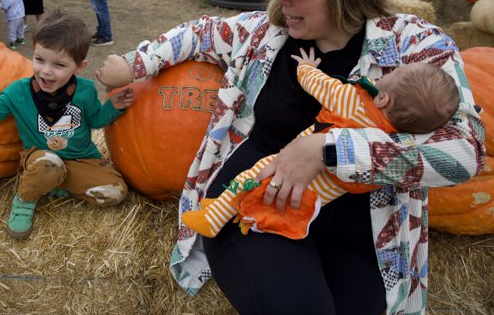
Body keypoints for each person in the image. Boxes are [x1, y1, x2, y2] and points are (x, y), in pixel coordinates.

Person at [95, 0, 485, 315]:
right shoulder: (265, 33)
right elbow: (202, 32)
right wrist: (134, 62)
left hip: (362, 224)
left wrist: (329, 149)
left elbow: (465, 152)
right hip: (253, 204)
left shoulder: (415, 45)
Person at [182, 47, 460, 239]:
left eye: (390, 76)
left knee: (252, 176)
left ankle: (214, 216)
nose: (383, 75)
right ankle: (252, 219)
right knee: (280, 206)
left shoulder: (352, 100)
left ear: (383, 99)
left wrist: (305, 67)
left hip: (291, 164)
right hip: (320, 196)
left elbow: (318, 84)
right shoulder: (390, 144)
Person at [0, 10, 135, 240]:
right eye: (39, 59)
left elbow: (95, 120)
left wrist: (113, 106)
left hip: (82, 159)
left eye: (59, 65)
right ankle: (26, 199)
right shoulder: (18, 91)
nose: (46, 70)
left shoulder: (84, 90)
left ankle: (57, 184)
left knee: (116, 192)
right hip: (41, 157)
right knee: (49, 164)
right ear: (32, 53)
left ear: (79, 67)